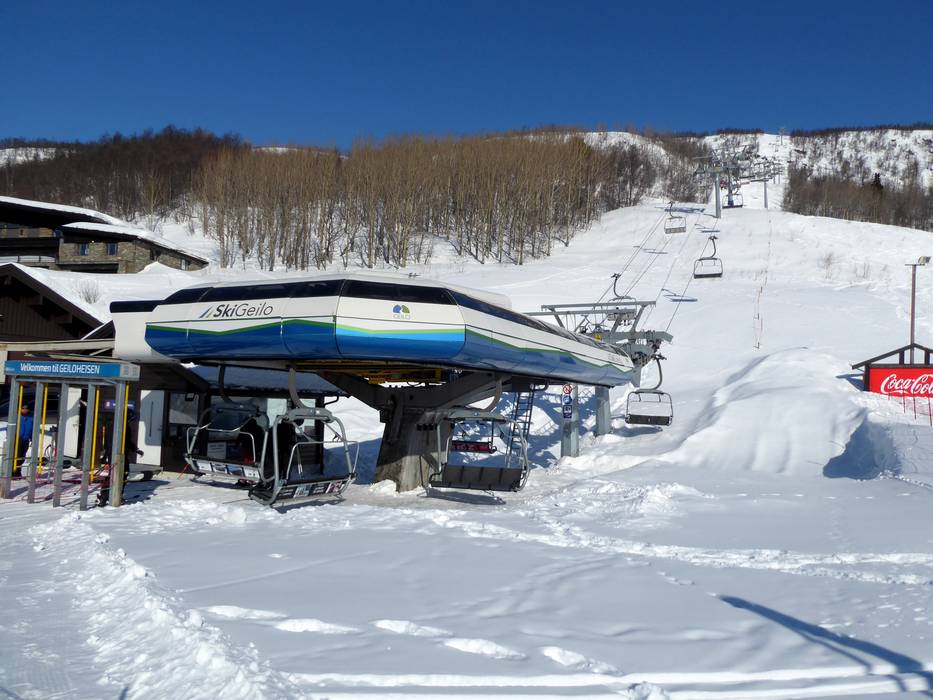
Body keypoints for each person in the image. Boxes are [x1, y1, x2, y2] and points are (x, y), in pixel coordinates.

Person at [14, 404, 34, 476]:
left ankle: (18, 471)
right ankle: (14, 471)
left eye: (26, 408)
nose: (25, 410)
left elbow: (32, 428)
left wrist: (32, 438)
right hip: (17, 439)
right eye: (23, 408)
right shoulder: (16, 416)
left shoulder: (31, 417)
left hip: (26, 439)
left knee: (22, 456)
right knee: (16, 455)